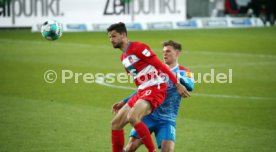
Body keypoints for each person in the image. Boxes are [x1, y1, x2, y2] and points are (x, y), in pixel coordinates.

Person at [107, 23, 190, 152]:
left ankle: (151, 150)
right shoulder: (123, 58)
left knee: (132, 117)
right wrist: (124, 101)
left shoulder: (138, 47)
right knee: (115, 124)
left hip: (155, 87)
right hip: (143, 91)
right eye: (109, 37)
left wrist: (177, 83)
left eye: (114, 36)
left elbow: (160, 65)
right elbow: (142, 84)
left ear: (123, 35)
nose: (111, 39)